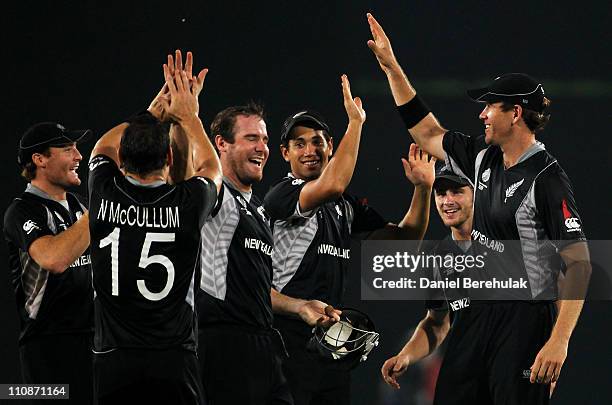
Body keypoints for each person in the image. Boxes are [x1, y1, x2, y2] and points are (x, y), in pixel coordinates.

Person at [367, 13, 591, 404]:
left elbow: (580, 264)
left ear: (516, 113)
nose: (482, 114)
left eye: (490, 106)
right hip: (475, 315)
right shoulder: (483, 158)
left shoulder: (547, 178)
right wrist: (391, 67)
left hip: (524, 320)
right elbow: (426, 131)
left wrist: (559, 342)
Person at [263, 75, 435, 405]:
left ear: (330, 145)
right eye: (299, 144)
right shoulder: (282, 195)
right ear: (284, 153)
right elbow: (333, 185)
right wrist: (355, 124)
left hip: (330, 348)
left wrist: (423, 189)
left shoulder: (344, 207)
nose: (310, 150)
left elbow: (403, 240)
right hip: (284, 344)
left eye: (317, 142)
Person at [87, 51, 222, 405]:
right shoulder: (188, 204)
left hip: (114, 358)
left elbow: (103, 145)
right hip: (173, 358)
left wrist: (152, 113)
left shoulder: (102, 195)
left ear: (122, 161)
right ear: (170, 158)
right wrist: (189, 116)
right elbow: (212, 166)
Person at [191, 98, 340, 405]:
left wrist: (299, 306)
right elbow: (199, 165)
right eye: (251, 138)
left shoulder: (259, 209)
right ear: (221, 143)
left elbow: (260, 289)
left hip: (264, 344)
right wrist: (188, 116)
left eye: (265, 140)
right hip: (222, 344)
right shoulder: (213, 196)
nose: (262, 147)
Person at [3, 121, 93, 404]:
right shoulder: (21, 211)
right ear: (39, 160)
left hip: (92, 342)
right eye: (67, 149)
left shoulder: (80, 206)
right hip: (47, 350)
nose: (79, 156)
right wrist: (105, 203)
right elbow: (54, 258)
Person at [381, 167, 474, 390]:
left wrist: (556, 344)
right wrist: (406, 356)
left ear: (476, 193)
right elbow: (437, 323)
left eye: (456, 192)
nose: (447, 201)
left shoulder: (505, 241)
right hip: (469, 374)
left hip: (512, 370)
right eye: (441, 194)